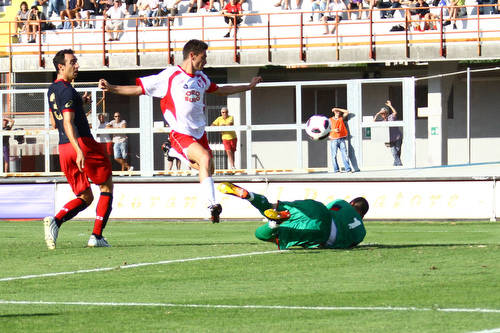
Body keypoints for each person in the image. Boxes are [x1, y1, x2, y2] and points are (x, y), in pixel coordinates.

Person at [98, 39, 262, 223]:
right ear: (192, 56)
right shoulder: (170, 75)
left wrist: (248, 86)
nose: (205, 61)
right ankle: (211, 205)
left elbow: (221, 90)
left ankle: (176, 153)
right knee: (205, 159)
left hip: (200, 134)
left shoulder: (201, 78)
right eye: (203, 57)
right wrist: (112, 88)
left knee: (208, 168)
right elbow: (138, 89)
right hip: (180, 132)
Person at [44, 49, 114, 249]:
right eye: (72, 62)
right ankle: (96, 236)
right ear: (61, 66)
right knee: (106, 186)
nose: (77, 66)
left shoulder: (53, 89)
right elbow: (67, 122)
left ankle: (55, 221)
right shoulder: (66, 89)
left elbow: (54, 120)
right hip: (80, 143)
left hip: (64, 147)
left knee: (85, 197)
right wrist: (80, 150)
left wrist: (80, 103)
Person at [218, 182, 369, 250]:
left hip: (318, 209)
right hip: (322, 233)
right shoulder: (361, 233)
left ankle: (250, 196)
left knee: (272, 206)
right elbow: (348, 244)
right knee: (262, 235)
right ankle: (274, 224)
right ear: (362, 216)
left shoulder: (342, 203)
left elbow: (329, 210)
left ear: (352, 203)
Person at [373, 100, 403, 166]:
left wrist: (390, 106)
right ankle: (399, 164)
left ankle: (395, 164)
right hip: (390, 139)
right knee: (393, 152)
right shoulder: (382, 121)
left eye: (384, 113)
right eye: (382, 114)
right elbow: (373, 122)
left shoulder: (391, 117)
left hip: (398, 137)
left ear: (386, 113)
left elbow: (395, 112)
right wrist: (378, 113)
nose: (383, 115)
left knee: (398, 151)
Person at [328, 107, 352, 173]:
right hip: (333, 139)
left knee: (345, 155)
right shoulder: (330, 120)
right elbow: (326, 129)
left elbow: (347, 111)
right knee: (334, 155)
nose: (338, 112)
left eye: (338, 111)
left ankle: (348, 169)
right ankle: (336, 170)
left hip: (341, 139)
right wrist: (334, 130)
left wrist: (336, 108)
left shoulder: (341, 119)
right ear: (334, 112)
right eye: (336, 111)